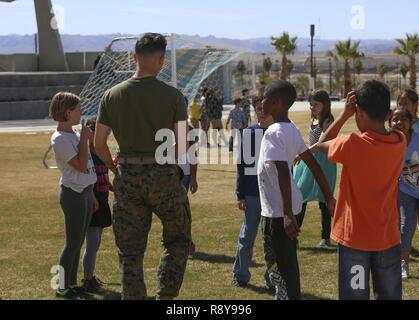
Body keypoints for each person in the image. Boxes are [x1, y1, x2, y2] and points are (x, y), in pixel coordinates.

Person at [94, 33, 192, 300]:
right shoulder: (174, 96)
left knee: (130, 252)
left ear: (134, 57)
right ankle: (166, 295)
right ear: (161, 60)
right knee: (178, 240)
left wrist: (114, 169)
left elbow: (99, 143)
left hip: (128, 176)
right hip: (164, 174)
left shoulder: (111, 96)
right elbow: (182, 145)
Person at [316, 80, 406, 300]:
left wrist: (345, 114)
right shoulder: (399, 141)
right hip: (387, 237)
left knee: (354, 296)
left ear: (360, 112)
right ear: (388, 113)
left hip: (355, 238)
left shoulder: (352, 144)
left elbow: (322, 142)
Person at [258, 81, 335, 300]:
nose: (260, 101)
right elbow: (314, 165)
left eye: (264, 97)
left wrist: (288, 215)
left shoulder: (273, 133)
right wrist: (329, 196)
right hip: (287, 207)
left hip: (278, 212)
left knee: (279, 266)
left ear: (275, 103)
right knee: (288, 264)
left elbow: (283, 171)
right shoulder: (290, 129)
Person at [50, 92, 98, 299]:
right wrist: (86, 140)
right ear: (67, 112)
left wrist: (93, 194)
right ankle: (61, 286)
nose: (81, 112)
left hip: (85, 192)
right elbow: (79, 165)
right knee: (72, 243)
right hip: (73, 195)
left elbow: (87, 167)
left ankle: (71, 282)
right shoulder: (60, 138)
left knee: (78, 242)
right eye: (77, 109)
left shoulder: (74, 134)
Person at [232, 97, 276, 292]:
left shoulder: (278, 133)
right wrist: (240, 194)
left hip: (273, 196)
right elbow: (241, 166)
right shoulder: (249, 133)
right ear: (255, 111)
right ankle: (240, 275)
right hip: (252, 194)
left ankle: (272, 278)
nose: (262, 112)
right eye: (259, 109)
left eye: (265, 109)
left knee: (272, 241)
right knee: (247, 235)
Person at [293, 90, 337, 247]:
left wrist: (301, 155)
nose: (313, 107)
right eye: (311, 104)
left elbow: (319, 145)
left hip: (324, 163)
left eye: (316, 104)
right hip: (309, 160)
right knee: (300, 197)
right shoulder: (314, 119)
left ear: (325, 104)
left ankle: (326, 238)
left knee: (325, 200)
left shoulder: (328, 120)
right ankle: (294, 236)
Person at [81, 118, 113, 293]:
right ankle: (87, 279)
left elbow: (103, 178)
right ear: (91, 133)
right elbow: (86, 180)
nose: (104, 135)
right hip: (94, 201)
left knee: (96, 242)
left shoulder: (100, 151)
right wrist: (93, 198)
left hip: (103, 199)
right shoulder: (86, 153)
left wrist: (114, 188)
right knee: (92, 243)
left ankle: (90, 276)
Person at [389, 108, 419, 280]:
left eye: (403, 119)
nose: (399, 122)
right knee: (405, 228)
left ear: (410, 122)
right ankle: (404, 265)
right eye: (395, 119)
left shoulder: (417, 138)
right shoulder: (389, 142)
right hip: (406, 191)